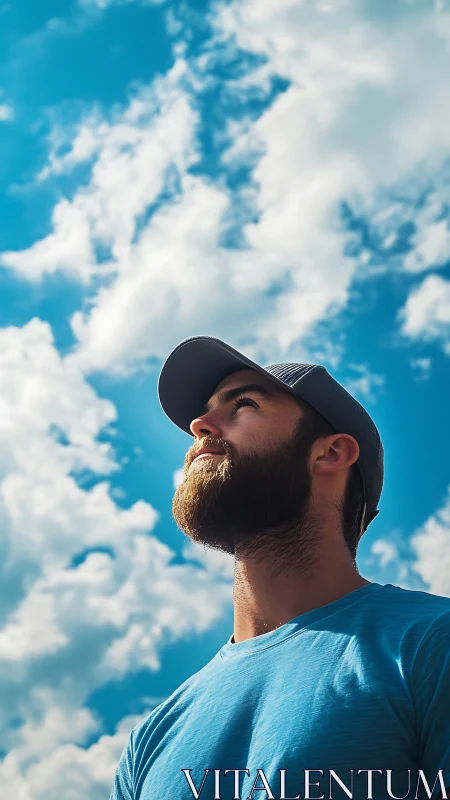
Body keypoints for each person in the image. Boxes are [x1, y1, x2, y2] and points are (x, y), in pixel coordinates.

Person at [110, 335, 450, 800]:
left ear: (329, 453)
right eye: (204, 416)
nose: (200, 425)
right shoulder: (150, 739)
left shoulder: (431, 645)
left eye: (243, 404)